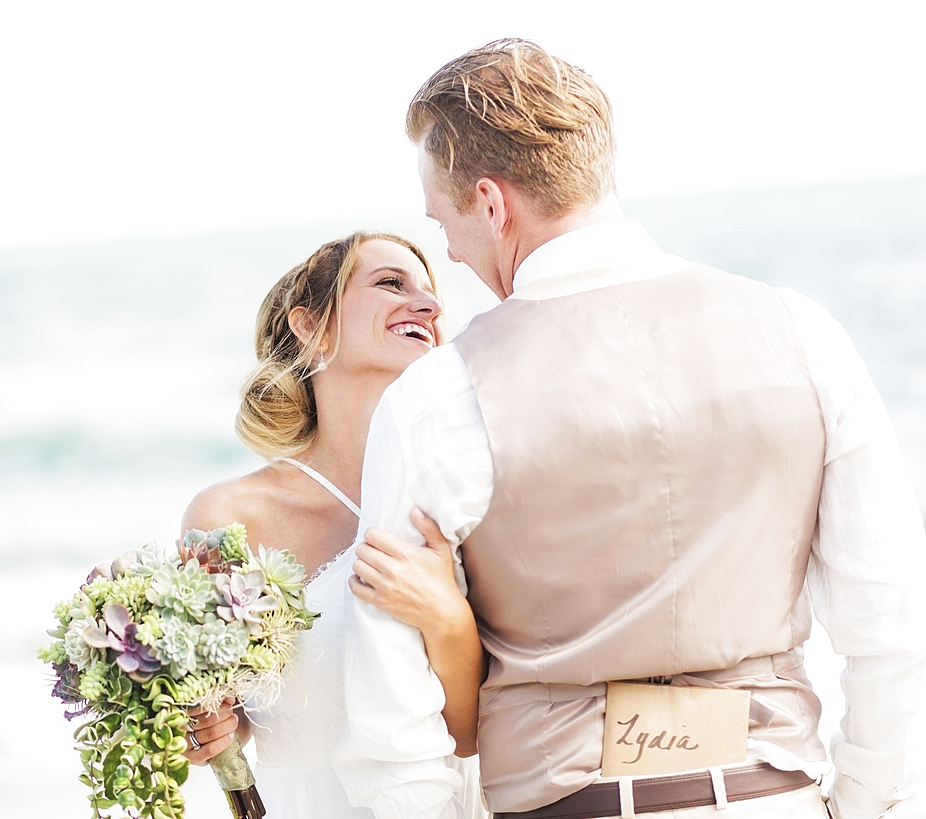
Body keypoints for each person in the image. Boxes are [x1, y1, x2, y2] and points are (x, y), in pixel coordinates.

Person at [333, 39, 926, 819]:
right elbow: (891, 630)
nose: (447, 247)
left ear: (490, 202)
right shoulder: (803, 335)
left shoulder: (440, 397)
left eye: (443, 220)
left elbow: (394, 727)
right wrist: (863, 805)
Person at [179, 232, 489, 819]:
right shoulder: (229, 519)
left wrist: (446, 616)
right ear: (312, 327)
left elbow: (473, 729)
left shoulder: (462, 492)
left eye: (429, 290)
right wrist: (206, 725)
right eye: (390, 284)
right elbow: (229, 718)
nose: (429, 305)